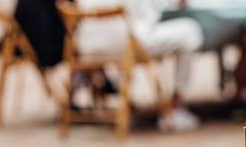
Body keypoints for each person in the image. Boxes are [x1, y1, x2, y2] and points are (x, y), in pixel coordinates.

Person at [76, 0, 204, 132]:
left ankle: (129, 105)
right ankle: (177, 104)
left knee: (130, 33)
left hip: (88, 47)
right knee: (191, 31)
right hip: (126, 44)